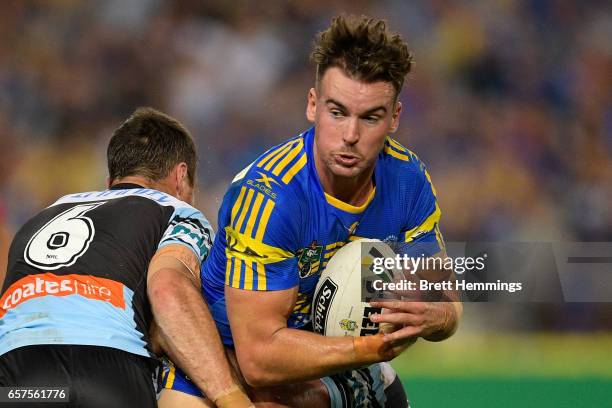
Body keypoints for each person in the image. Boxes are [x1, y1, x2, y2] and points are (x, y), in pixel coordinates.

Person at [163, 15, 461, 407]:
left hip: (332, 363)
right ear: (312, 105)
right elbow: (258, 361)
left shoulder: (409, 181)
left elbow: (448, 300)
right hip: (221, 366)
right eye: (337, 112)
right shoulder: (271, 197)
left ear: (394, 118)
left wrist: (434, 316)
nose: (350, 135)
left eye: (370, 117)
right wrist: (370, 350)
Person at [0, 108, 252, 408]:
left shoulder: (40, 218)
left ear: (110, 181)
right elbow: (169, 290)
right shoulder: (176, 210)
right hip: (106, 371)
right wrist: (232, 398)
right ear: (181, 177)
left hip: (17, 378)